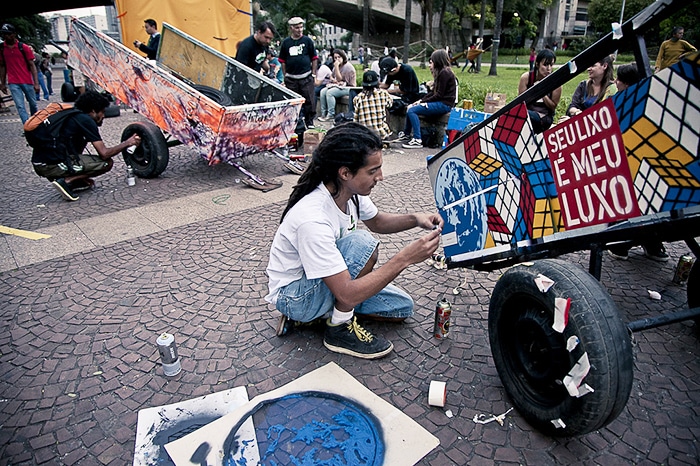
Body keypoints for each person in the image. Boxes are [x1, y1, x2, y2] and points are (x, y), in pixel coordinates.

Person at [265, 122, 443, 359]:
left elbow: (378, 222)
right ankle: (337, 328)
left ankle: (325, 313)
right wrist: (406, 258)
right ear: (345, 172)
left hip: (325, 282)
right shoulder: (313, 217)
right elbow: (348, 294)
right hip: (296, 296)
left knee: (401, 307)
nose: (380, 177)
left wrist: (415, 218)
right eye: (372, 171)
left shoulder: (348, 193)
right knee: (361, 243)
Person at [31, 90, 142, 202]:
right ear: (93, 111)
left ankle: (74, 180)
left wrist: (83, 176)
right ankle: (67, 180)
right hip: (51, 166)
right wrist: (127, 142)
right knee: (106, 163)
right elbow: (104, 154)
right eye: (102, 112)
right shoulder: (86, 121)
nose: (103, 116)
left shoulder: (73, 115)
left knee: (83, 159)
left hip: (40, 164)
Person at [607, 62, 668, 262]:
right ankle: (650, 243)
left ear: (626, 83)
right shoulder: (654, 100)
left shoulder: (625, 102)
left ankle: (622, 242)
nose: (616, 82)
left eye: (619, 80)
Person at [398, 49, 457, 149]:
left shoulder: (445, 73)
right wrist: (420, 101)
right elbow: (432, 93)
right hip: (440, 102)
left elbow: (439, 95)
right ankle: (406, 134)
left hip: (444, 104)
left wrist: (423, 102)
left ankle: (417, 139)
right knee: (411, 107)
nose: (430, 65)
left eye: (432, 62)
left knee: (412, 111)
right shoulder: (442, 72)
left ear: (437, 61)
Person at [279, 17, 318, 129]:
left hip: (306, 77)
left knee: (310, 101)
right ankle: (294, 123)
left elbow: (314, 58)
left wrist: (313, 73)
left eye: (301, 27)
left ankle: (310, 122)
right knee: (293, 103)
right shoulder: (286, 43)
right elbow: (282, 61)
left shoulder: (307, 41)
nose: (300, 29)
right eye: (297, 27)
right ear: (291, 28)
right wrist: (285, 75)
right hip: (291, 78)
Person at [0, 23, 39, 123]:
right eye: (4, 34)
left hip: (26, 80)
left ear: (14, 34)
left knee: (33, 104)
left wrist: (36, 83)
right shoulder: (2, 49)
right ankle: (27, 126)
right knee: (20, 106)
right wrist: (3, 83)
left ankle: (34, 124)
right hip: (13, 82)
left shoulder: (24, 47)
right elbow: (2, 66)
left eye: (8, 34)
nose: (6, 36)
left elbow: (32, 65)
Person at [517, 49, 561, 133]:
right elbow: (521, 102)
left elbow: (552, 106)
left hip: (544, 117)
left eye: (551, 65)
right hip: (527, 113)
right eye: (545, 65)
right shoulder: (527, 78)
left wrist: (541, 92)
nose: (548, 69)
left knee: (528, 116)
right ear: (537, 64)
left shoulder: (555, 83)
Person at [563, 54, 616, 119]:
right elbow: (572, 106)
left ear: (604, 66)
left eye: (593, 66)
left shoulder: (612, 89)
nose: (588, 69)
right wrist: (577, 112)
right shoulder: (583, 85)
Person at [317, 49, 356, 122]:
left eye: (339, 57)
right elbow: (332, 76)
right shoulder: (336, 66)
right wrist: (332, 79)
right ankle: (323, 113)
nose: (337, 59)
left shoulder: (347, 67)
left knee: (330, 93)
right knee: (323, 91)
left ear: (343, 57)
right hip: (339, 85)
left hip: (349, 87)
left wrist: (337, 68)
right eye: (335, 58)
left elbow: (339, 78)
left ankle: (331, 114)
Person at [353, 70, 393, 139]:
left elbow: (356, 119)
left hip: (364, 134)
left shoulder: (358, 98)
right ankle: (386, 135)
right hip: (381, 133)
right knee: (385, 109)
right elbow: (390, 104)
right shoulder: (383, 93)